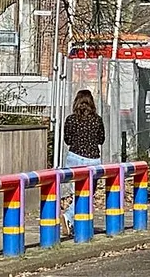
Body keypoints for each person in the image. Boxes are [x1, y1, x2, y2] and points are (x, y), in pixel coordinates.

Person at [61, 89, 105, 236]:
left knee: (76, 192)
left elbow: (67, 139)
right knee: (87, 193)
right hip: (92, 159)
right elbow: (101, 140)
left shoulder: (71, 119)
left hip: (74, 157)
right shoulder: (97, 119)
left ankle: (72, 221)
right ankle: (69, 216)